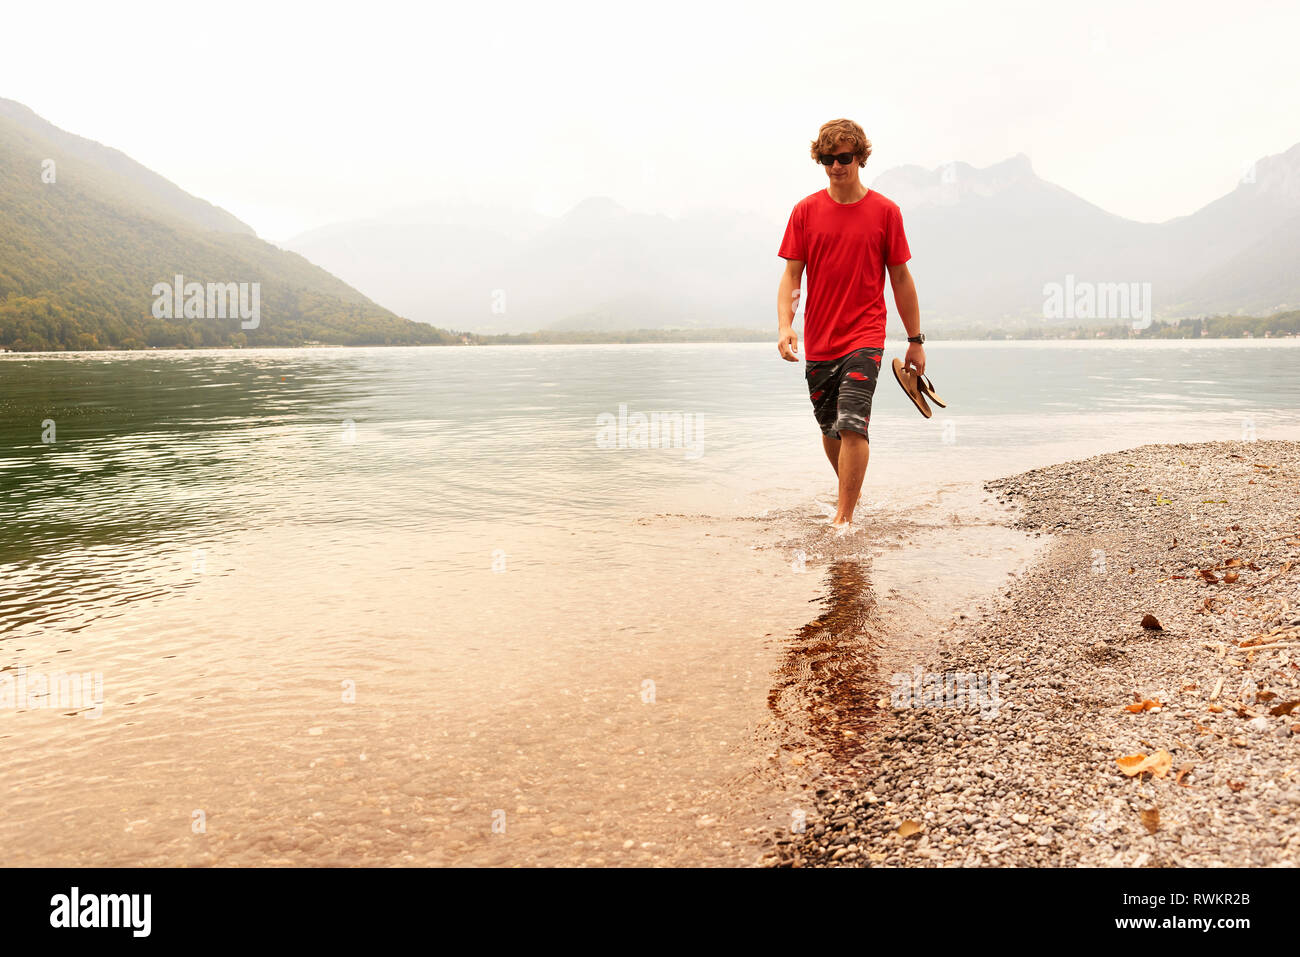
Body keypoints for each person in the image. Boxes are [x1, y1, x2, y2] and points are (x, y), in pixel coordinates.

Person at [777, 117, 924, 530]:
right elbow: (792, 275)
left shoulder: (885, 212)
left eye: (843, 157)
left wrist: (915, 340)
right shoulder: (805, 211)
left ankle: (843, 518)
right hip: (820, 340)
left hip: (865, 335)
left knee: (852, 424)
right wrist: (786, 326)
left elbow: (900, 278)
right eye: (827, 159)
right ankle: (849, 492)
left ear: (860, 157)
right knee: (830, 428)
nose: (835, 166)